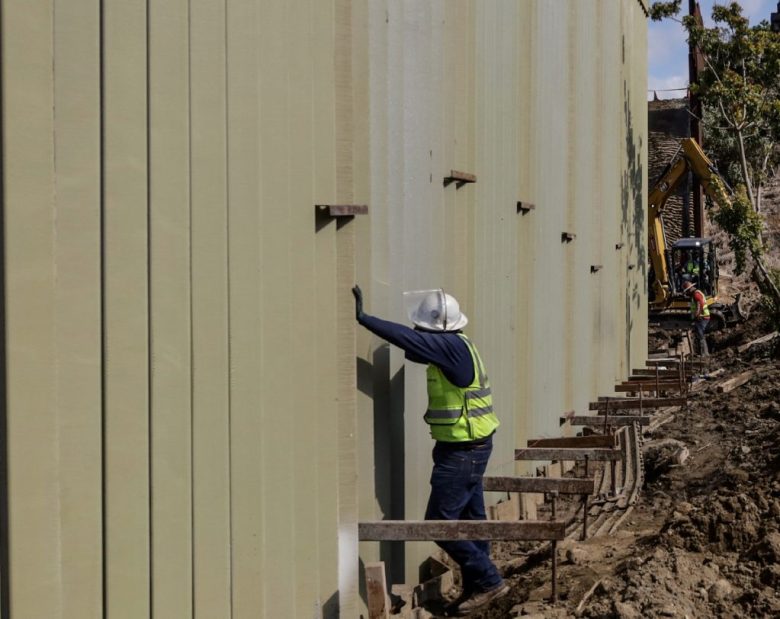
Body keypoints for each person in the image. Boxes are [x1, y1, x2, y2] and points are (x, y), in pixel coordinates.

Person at [352, 285, 510, 616]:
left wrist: (365, 319)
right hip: (471, 446)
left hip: (463, 452)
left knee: (439, 523)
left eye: (422, 328)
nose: (417, 332)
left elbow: (410, 342)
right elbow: (417, 349)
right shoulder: (459, 344)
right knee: (472, 522)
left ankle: (489, 580)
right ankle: (477, 582)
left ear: (436, 328)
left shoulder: (449, 347)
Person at [682, 280, 709, 357]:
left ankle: (704, 354)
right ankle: (703, 353)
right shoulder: (697, 293)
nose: (687, 293)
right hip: (703, 316)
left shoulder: (696, 294)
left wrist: (696, 316)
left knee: (700, 335)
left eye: (687, 291)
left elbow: (699, 305)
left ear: (690, 289)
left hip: (702, 317)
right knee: (699, 335)